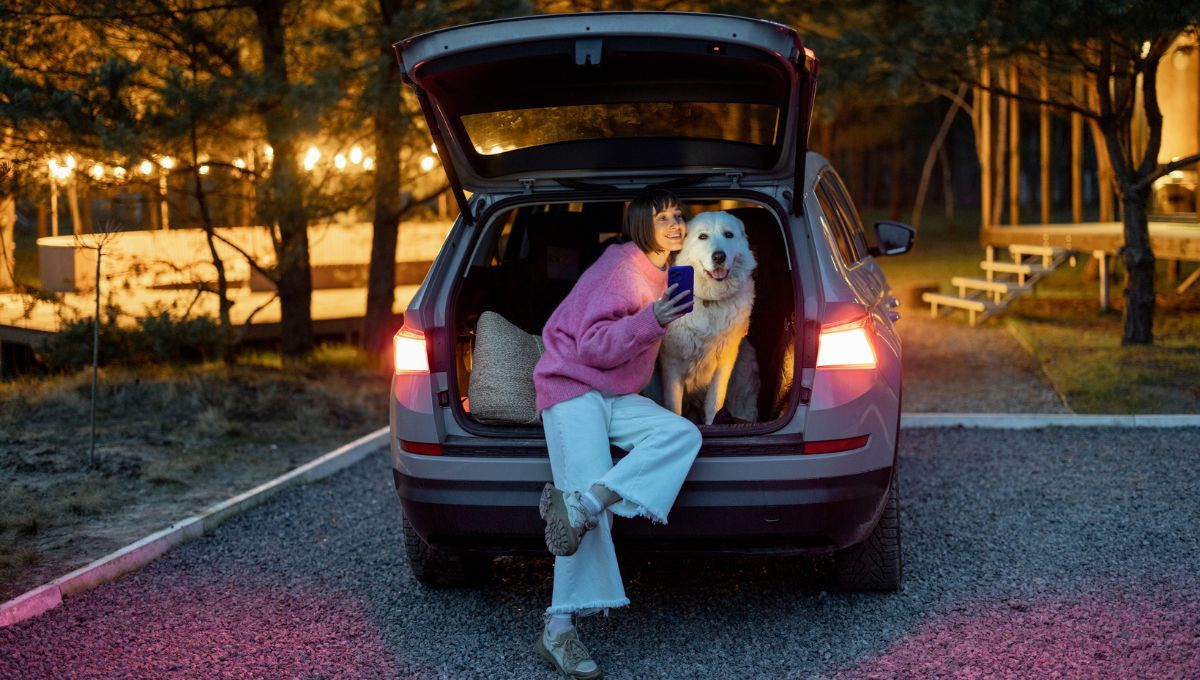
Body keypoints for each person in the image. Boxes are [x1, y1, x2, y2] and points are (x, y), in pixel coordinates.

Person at [531, 188, 702, 679]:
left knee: (681, 435)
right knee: (587, 482)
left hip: (613, 394)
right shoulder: (621, 269)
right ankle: (558, 631)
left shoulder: (662, 269)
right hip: (572, 386)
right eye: (661, 216)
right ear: (638, 224)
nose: (674, 224)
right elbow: (592, 347)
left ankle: (585, 505)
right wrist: (654, 319)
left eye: (678, 215)